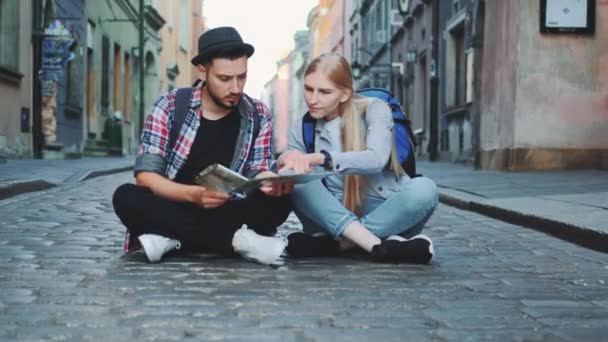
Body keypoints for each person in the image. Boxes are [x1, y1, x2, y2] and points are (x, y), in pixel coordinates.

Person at [112, 27, 292, 265]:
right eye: (225, 79)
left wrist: (269, 180)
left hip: (229, 208)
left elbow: (256, 169)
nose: (236, 88)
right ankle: (237, 242)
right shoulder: (169, 107)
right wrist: (192, 195)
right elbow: (146, 176)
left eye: (242, 77)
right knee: (125, 197)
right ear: (203, 71)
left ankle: (171, 239)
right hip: (176, 204)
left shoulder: (257, 113)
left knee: (282, 201)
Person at [278, 53, 438, 264]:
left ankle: (342, 244)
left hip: (384, 210)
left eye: (324, 92)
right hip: (329, 216)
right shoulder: (303, 125)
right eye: (308, 89)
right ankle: (381, 246)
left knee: (426, 189)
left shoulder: (375, 108)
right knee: (295, 182)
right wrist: (287, 158)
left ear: (345, 94)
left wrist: (321, 158)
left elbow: (376, 159)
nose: (313, 99)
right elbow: (288, 169)